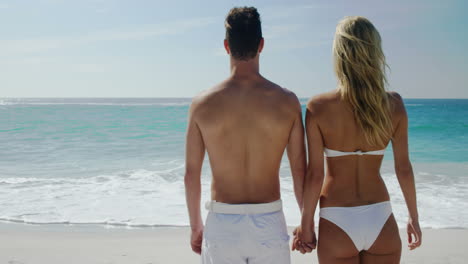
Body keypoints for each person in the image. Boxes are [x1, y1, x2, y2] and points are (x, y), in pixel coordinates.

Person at [293, 16, 422, 263]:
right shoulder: (394, 104)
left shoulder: (318, 106)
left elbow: (315, 175)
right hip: (381, 218)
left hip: (336, 220)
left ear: (340, 54)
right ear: (375, 53)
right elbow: (403, 168)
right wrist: (413, 217)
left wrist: (305, 223)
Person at [184, 6, 306, 264]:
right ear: (261, 44)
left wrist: (196, 226)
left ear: (226, 46)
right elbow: (299, 171)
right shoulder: (287, 102)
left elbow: (191, 174)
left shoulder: (202, 104)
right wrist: (307, 220)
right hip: (270, 221)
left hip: (222, 223)